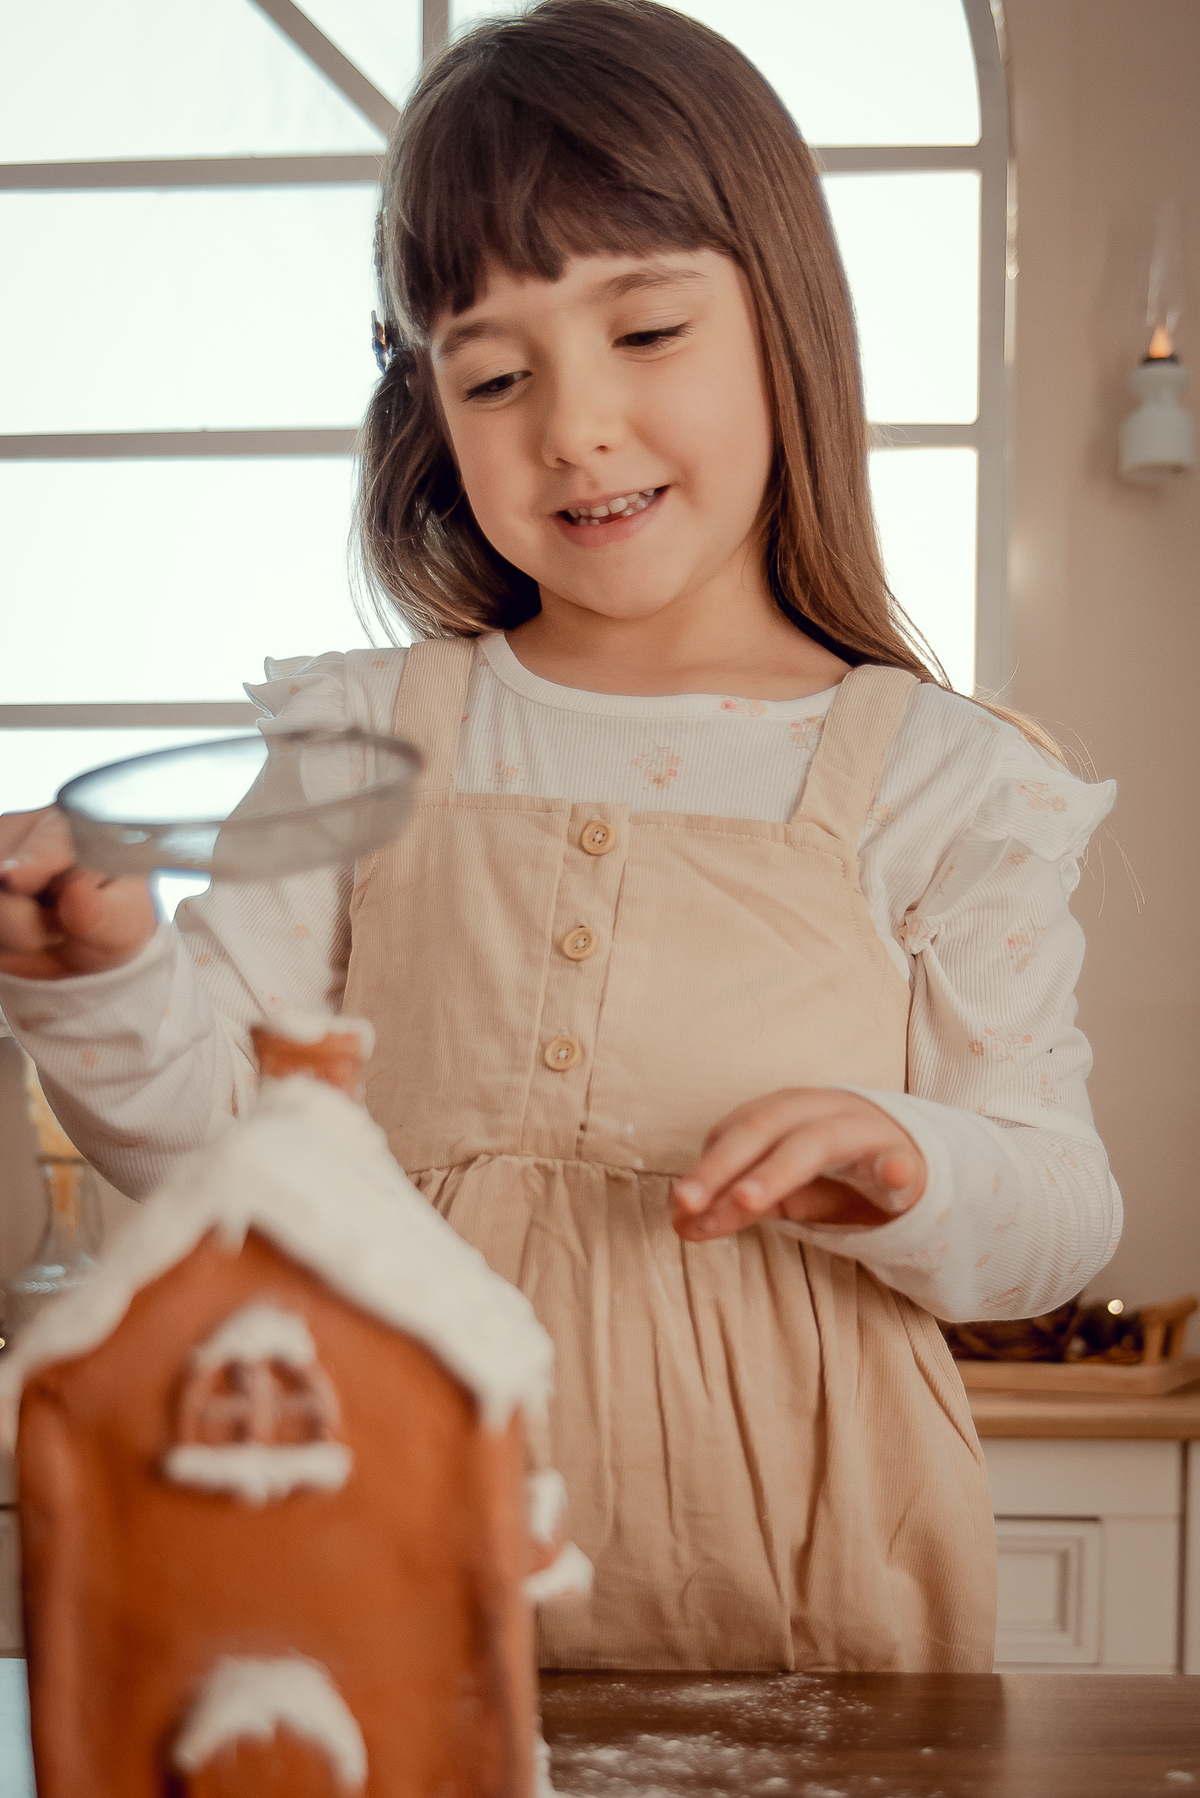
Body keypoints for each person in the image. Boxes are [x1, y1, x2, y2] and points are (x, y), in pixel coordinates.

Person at [0, 0, 1118, 1674]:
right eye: (498, 372)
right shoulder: (365, 741)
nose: (575, 426)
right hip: (397, 1584)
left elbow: (1058, 1198)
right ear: (434, 408)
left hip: (817, 1609)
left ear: (785, 324)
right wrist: (99, 974)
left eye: (648, 332)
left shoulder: (943, 778)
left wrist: (910, 1155)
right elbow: (224, 1137)